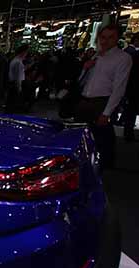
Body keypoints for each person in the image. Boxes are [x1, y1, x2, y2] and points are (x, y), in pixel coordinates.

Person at [75, 24, 132, 171]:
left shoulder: (123, 58)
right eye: (103, 37)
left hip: (102, 102)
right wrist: (85, 68)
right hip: (85, 100)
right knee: (82, 135)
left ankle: (103, 168)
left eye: (110, 37)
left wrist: (107, 113)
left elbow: (119, 88)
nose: (105, 41)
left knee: (102, 138)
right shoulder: (97, 55)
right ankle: (84, 164)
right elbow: (83, 80)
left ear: (117, 38)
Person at [122, 33, 139, 141]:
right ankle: (128, 134)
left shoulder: (126, 51)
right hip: (133, 86)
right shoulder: (134, 53)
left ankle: (128, 132)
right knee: (131, 110)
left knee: (129, 109)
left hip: (127, 85)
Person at [7, 44, 29, 113]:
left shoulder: (15, 60)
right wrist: (19, 88)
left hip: (13, 84)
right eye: (26, 52)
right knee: (14, 105)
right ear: (23, 52)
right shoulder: (18, 62)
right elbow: (18, 77)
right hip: (15, 85)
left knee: (11, 104)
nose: (26, 54)